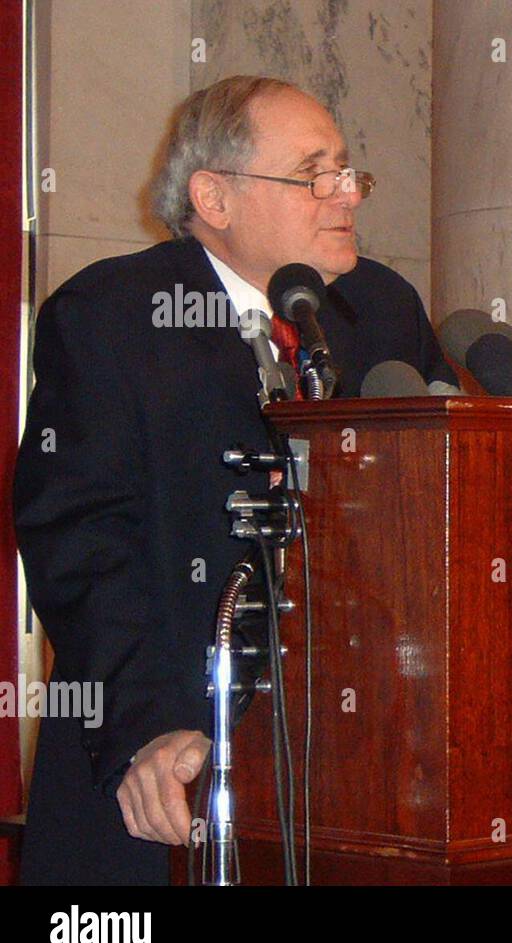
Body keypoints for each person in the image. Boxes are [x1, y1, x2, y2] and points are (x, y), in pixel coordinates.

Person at [14, 76, 458, 884]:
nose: (345, 193)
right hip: (167, 764)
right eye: (312, 173)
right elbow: (81, 541)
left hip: (361, 777)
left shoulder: (382, 308)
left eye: (349, 170)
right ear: (214, 197)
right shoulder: (113, 314)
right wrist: (146, 726)